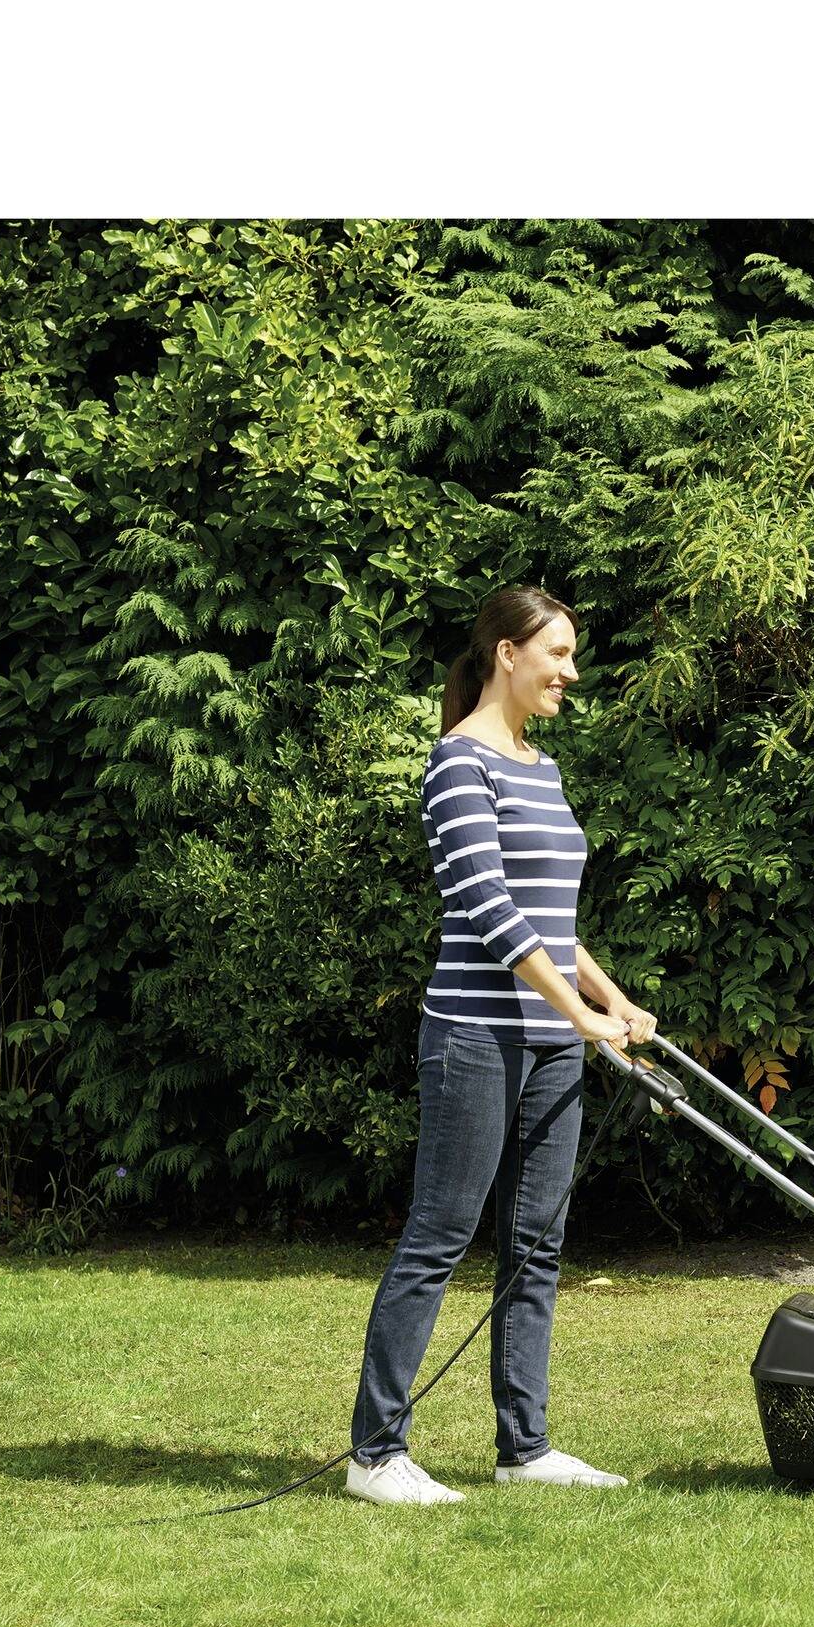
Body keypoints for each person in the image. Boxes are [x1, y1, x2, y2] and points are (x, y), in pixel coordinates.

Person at [346, 585, 658, 1506]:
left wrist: (614, 1001)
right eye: (556, 653)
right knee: (439, 1235)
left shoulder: (542, 768)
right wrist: (580, 1014)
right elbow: (487, 912)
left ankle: (524, 1447)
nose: (570, 672)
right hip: (475, 1038)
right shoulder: (457, 764)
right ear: (506, 655)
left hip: (552, 1042)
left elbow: (551, 920)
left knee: (536, 1244)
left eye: (571, 655)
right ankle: (375, 1454)